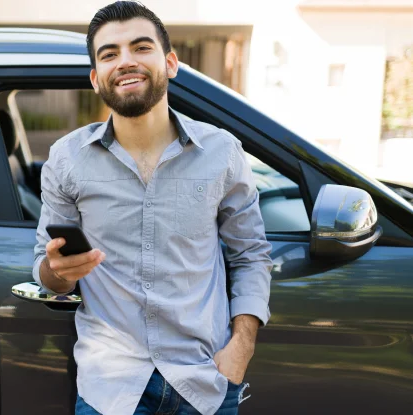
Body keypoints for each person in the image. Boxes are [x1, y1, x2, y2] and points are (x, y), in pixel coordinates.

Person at [32, 2, 273, 414]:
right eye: (109, 54)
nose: (125, 61)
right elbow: (47, 270)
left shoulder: (222, 152)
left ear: (171, 62)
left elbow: (251, 254)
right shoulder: (66, 158)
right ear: (96, 78)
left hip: (206, 383)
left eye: (140, 47)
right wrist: (57, 272)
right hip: (111, 391)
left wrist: (241, 347)